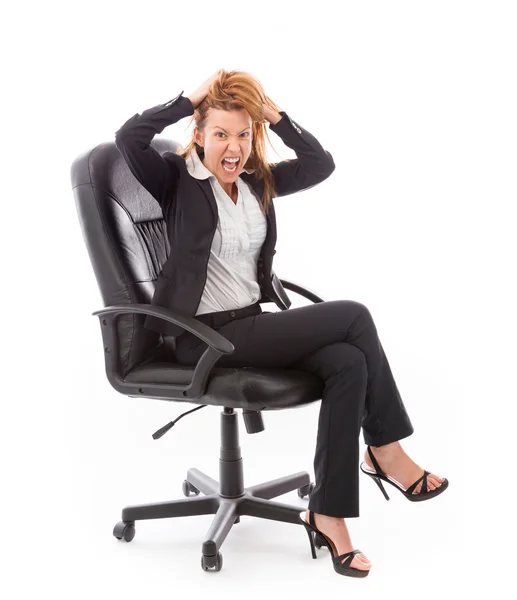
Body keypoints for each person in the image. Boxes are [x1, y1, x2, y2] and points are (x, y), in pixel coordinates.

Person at [115, 69, 448, 577]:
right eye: (221, 134)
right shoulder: (174, 180)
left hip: (249, 326)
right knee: (354, 315)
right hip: (202, 337)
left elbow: (321, 164)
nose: (233, 148)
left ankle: (329, 513)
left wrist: (271, 114)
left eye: (244, 135)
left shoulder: (254, 180)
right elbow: (127, 138)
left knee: (347, 361)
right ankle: (385, 451)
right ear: (199, 136)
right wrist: (188, 100)